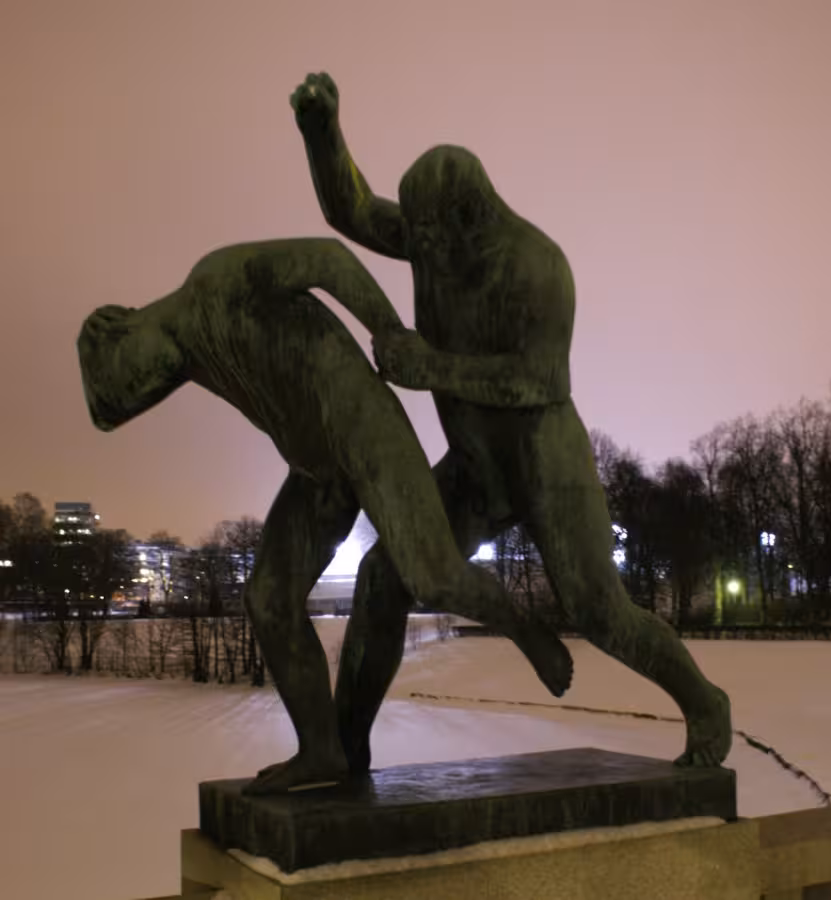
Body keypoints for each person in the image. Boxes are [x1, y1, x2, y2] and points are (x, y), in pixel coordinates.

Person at [291, 72, 733, 773]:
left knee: (599, 611)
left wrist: (430, 366)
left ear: (469, 219)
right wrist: (322, 132)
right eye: (416, 235)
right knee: (383, 576)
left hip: (545, 463)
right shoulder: (431, 236)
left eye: (431, 235)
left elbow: (539, 381)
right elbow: (352, 209)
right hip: (476, 468)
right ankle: (344, 754)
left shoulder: (537, 266)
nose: (419, 248)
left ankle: (705, 704)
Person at [77, 236, 573, 793]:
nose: (150, 389)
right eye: (140, 398)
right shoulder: (189, 354)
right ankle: (322, 750)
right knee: (269, 599)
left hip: (362, 426)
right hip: (315, 471)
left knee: (431, 574)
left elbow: (325, 259)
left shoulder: (216, 282)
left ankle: (527, 630)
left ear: (121, 327)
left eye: (131, 378)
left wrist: (388, 330)